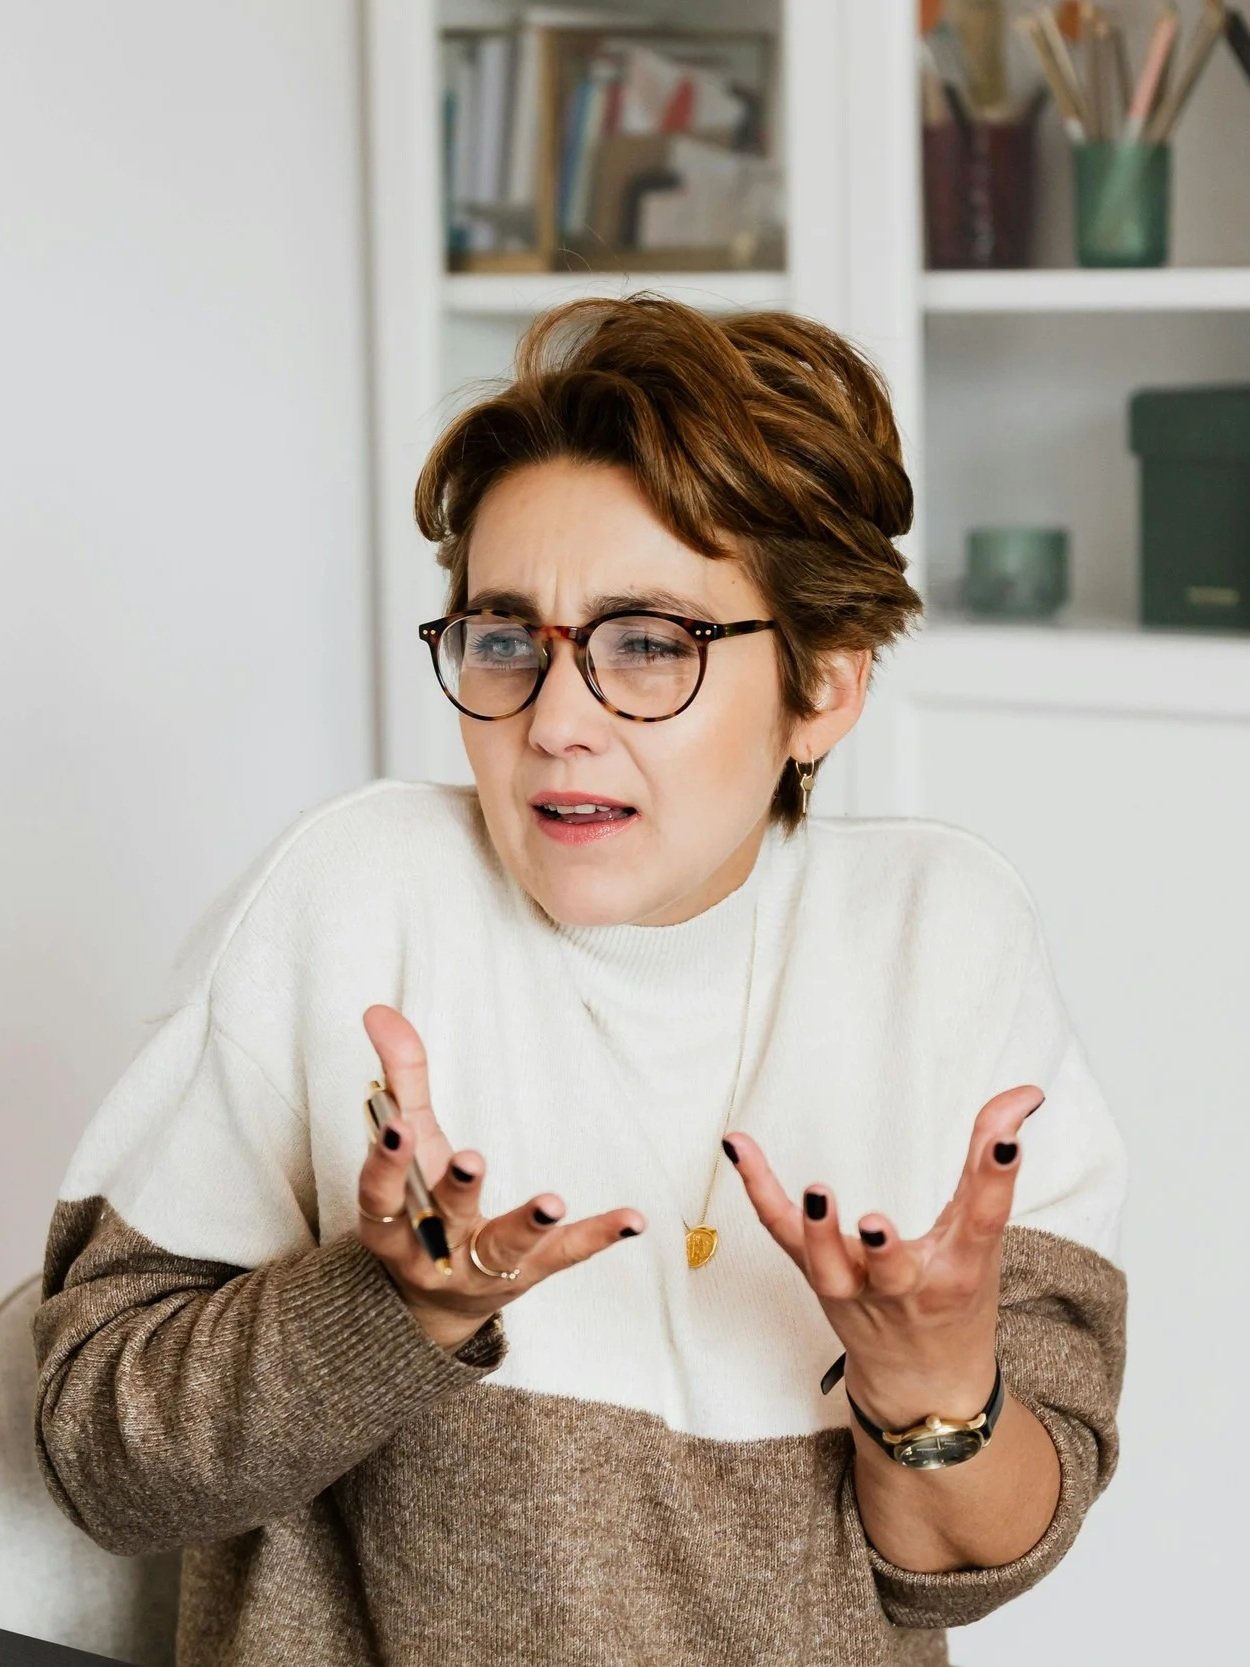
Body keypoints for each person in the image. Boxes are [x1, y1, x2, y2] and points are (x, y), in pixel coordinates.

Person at [31, 296, 1128, 1667]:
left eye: (648, 644)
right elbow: (99, 1468)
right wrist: (396, 1308)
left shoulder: (942, 936)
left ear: (825, 687)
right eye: (506, 640)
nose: (555, 723)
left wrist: (926, 1383)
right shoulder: (353, 898)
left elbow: (968, 1568)